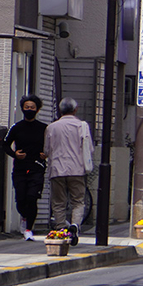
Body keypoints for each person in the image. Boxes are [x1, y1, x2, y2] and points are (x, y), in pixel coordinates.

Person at [43, 98, 93, 246]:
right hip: (77, 169)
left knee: (58, 202)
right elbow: (89, 149)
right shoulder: (82, 126)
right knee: (78, 201)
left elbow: (46, 150)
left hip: (57, 169)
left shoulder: (51, 127)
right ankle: (75, 225)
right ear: (75, 109)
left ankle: (61, 229)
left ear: (60, 110)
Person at [4, 94, 47, 240]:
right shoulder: (16, 127)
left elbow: (53, 145)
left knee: (32, 197)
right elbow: (4, 144)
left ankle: (29, 229)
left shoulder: (44, 128)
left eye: (32, 107)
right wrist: (14, 154)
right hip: (20, 168)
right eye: (27, 107)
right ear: (22, 108)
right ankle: (24, 216)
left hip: (37, 167)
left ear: (37, 110)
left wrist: (46, 154)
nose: (29, 109)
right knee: (21, 199)